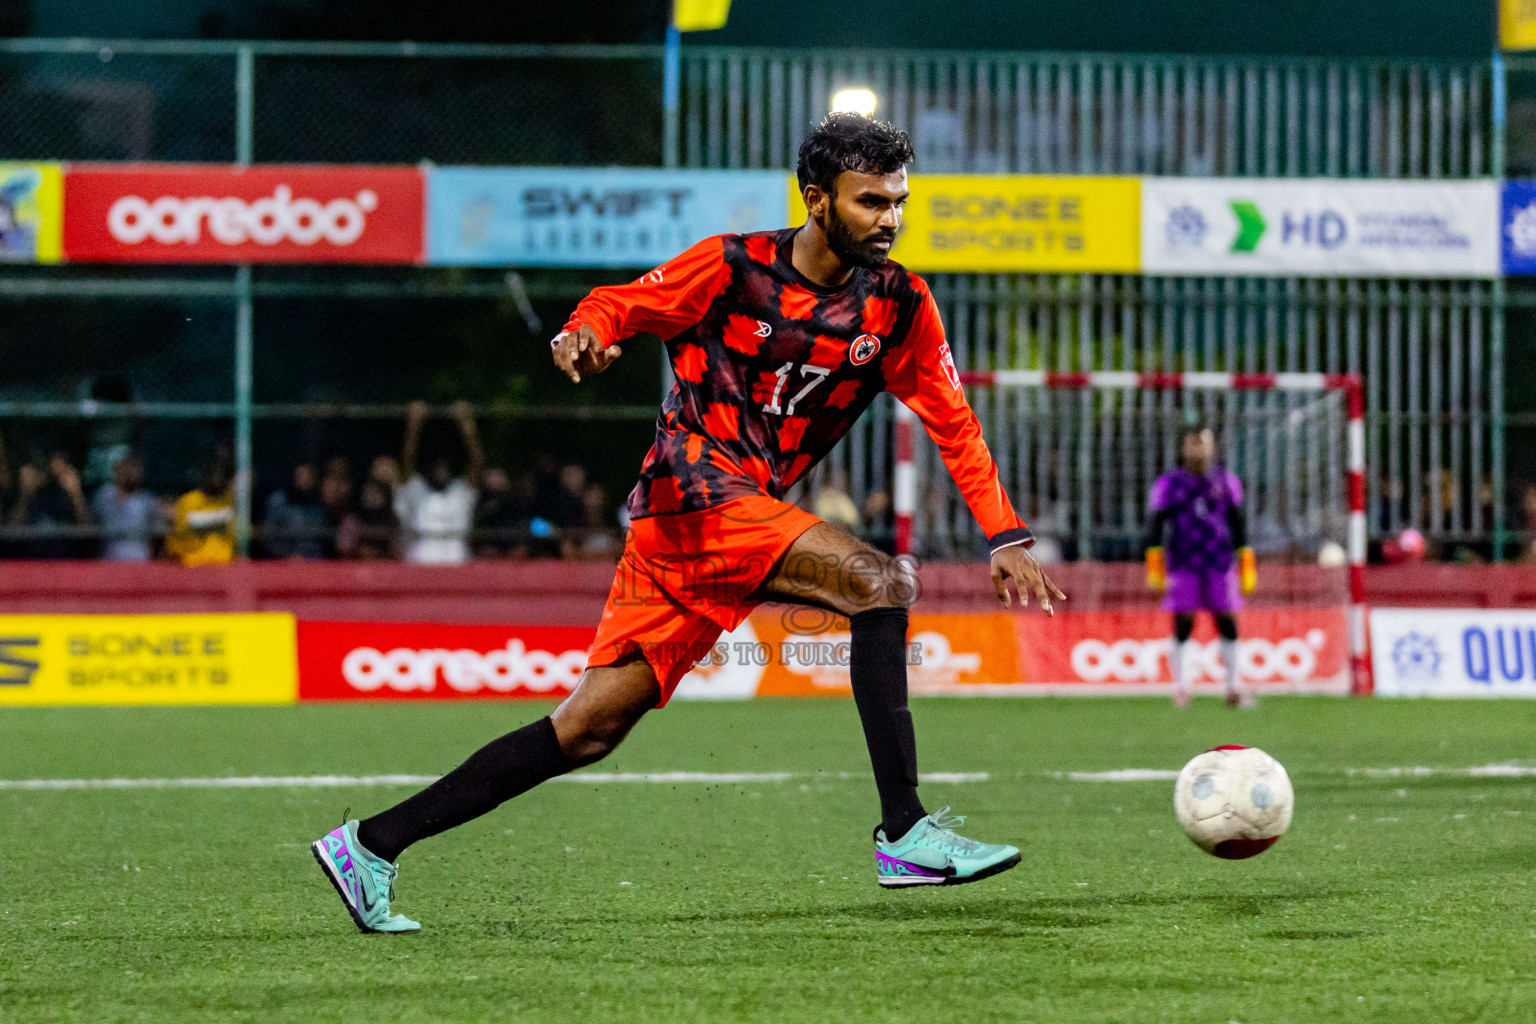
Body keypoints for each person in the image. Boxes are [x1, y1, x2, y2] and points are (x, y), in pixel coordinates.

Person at [311, 113, 1065, 933]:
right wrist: (585, 336)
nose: (890, 219)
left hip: (718, 528)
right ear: (816, 199)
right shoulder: (731, 266)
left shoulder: (899, 305)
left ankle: (371, 845)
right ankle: (905, 832)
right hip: (693, 493)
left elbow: (952, 420)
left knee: (588, 730)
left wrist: (1005, 532)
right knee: (881, 584)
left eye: (899, 202)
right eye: (870, 202)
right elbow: (619, 304)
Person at [1144, 425, 1256, 709]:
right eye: (1193, 444)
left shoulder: (1225, 481)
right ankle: (1181, 688)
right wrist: (1154, 562)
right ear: (1184, 448)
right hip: (1183, 562)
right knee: (1183, 622)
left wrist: (1246, 559)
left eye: (1203, 444)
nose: (1198, 450)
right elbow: (1156, 524)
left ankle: (1233, 687)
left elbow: (1237, 520)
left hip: (1219, 561)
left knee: (1227, 620)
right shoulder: (1170, 483)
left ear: (1211, 447)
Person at [393, 400, 483, 565]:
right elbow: (406, 462)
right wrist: (414, 425)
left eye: (445, 466)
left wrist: (466, 424)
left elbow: (477, 463)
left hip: (458, 561)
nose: (441, 470)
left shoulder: (459, 493)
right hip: (420, 564)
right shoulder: (418, 492)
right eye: (436, 465)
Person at [9, 450, 92, 559]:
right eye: (52, 462)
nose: (56, 467)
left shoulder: (70, 495)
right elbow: (11, 531)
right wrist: (26, 494)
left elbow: (88, 532)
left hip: (65, 561)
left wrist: (75, 494)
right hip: (32, 561)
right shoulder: (33, 494)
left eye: (61, 463)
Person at [165, 449, 235, 567]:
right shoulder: (188, 501)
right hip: (194, 568)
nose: (217, 479)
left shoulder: (228, 501)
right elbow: (179, 537)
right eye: (214, 474)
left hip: (222, 568)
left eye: (222, 475)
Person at [92, 451, 161, 562]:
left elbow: (158, 536)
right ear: (117, 469)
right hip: (108, 561)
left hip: (140, 561)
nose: (132, 471)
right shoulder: (104, 495)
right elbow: (86, 525)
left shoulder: (148, 500)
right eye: (128, 466)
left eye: (136, 467)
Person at [263, 462, 326, 560]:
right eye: (301, 476)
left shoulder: (318, 506)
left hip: (312, 564)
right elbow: (269, 538)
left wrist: (305, 558)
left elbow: (318, 542)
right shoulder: (277, 501)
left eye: (309, 477)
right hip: (280, 562)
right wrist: (287, 557)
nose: (305, 481)